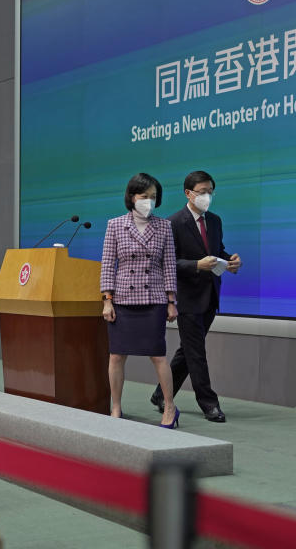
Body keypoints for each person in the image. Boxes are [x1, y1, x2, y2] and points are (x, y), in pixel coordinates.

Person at [150, 171, 241, 423]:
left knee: (189, 350)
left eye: (210, 191)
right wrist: (196, 265)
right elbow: (167, 262)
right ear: (188, 193)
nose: (207, 196)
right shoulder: (173, 223)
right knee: (196, 351)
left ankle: (160, 394)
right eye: (202, 191)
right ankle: (209, 403)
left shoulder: (215, 221)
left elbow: (217, 251)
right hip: (187, 296)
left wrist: (230, 260)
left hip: (211, 294)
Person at [100, 173, 179, 427]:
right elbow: (107, 264)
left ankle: (170, 406)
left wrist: (171, 300)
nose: (149, 201)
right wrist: (107, 299)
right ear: (132, 197)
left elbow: (169, 266)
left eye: (153, 197)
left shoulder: (164, 226)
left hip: (153, 298)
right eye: (144, 196)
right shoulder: (114, 225)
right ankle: (116, 407)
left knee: (158, 356)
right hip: (122, 298)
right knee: (116, 356)